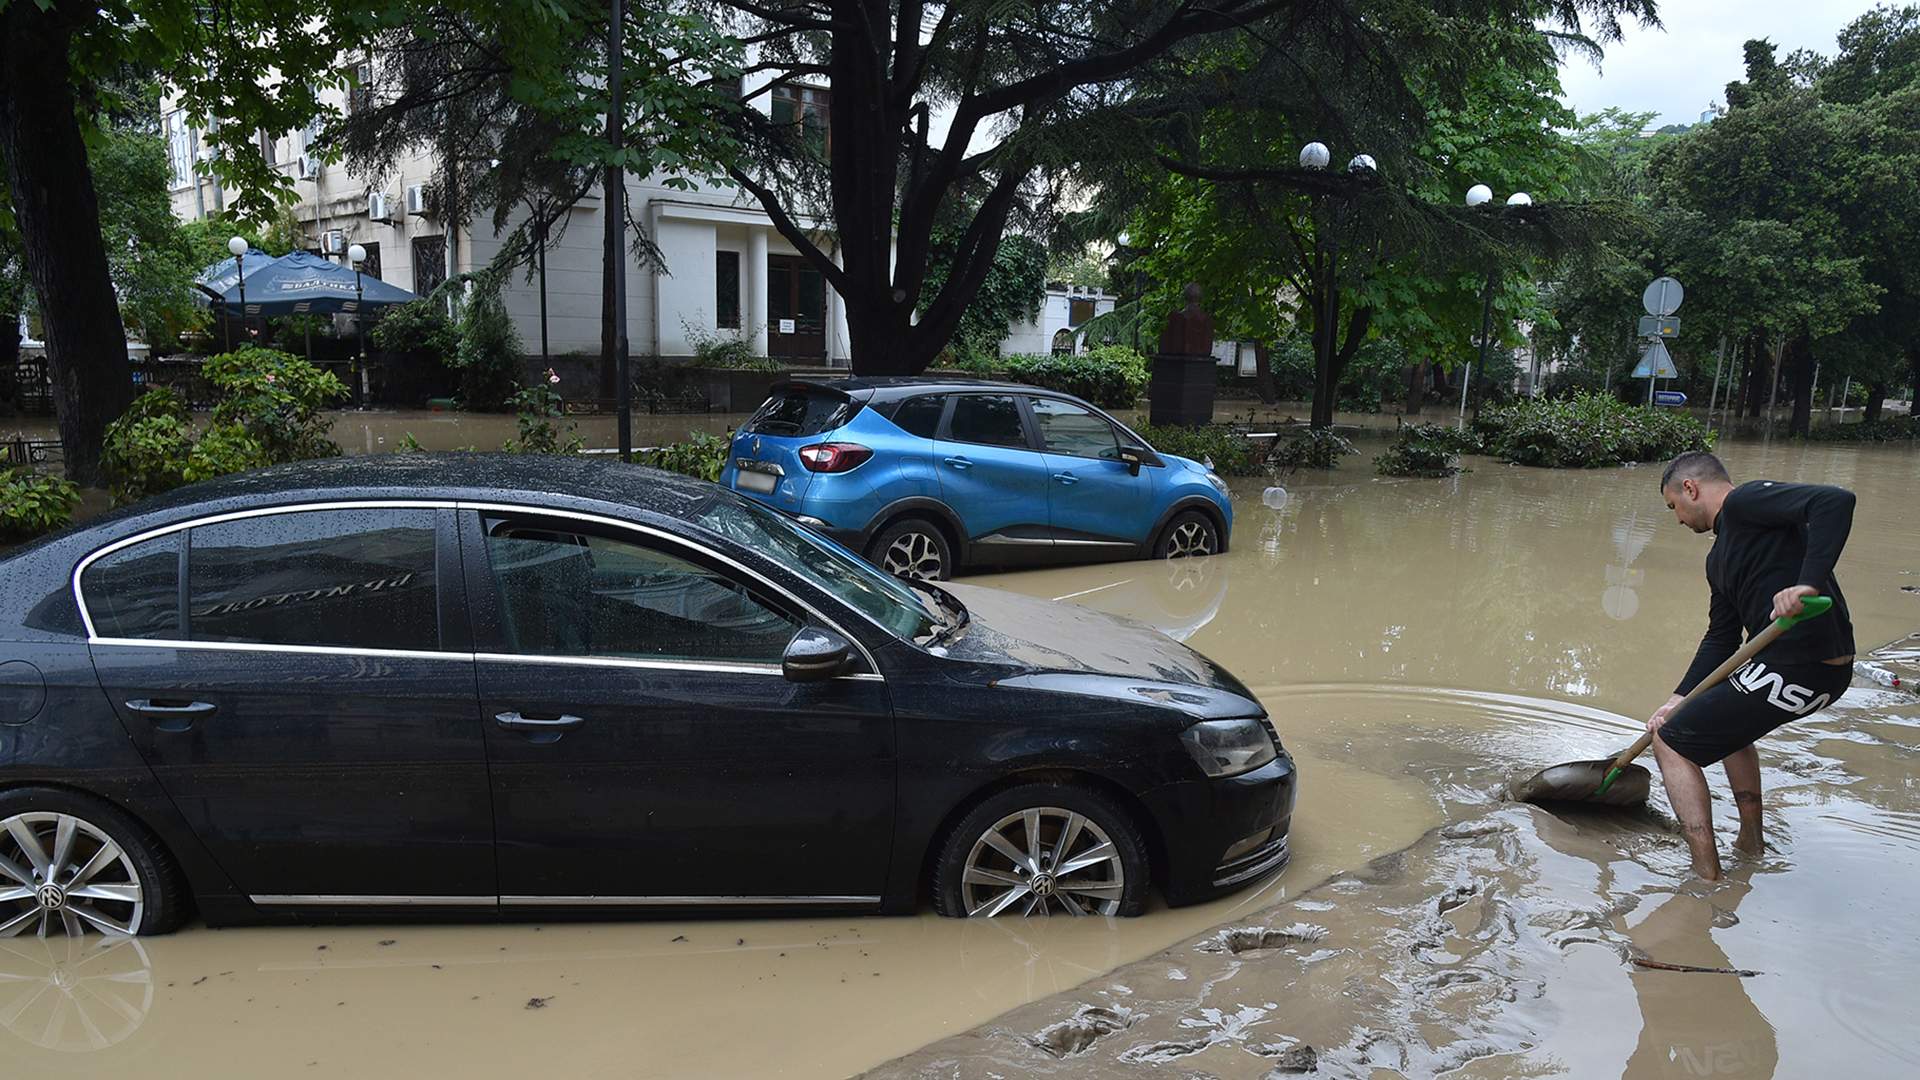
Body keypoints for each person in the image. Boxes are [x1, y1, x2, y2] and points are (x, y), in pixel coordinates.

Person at [1649, 451, 1855, 880]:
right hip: (1809, 671)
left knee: (1670, 744)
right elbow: (1721, 639)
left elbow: (1835, 502)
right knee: (1723, 721)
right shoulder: (1718, 560)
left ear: (1691, 488)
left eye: (1674, 507)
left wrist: (1808, 582)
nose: (1679, 520)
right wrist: (1678, 698)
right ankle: (1751, 841)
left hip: (1801, 663)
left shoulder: (1745, 503)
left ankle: (1704, 874)